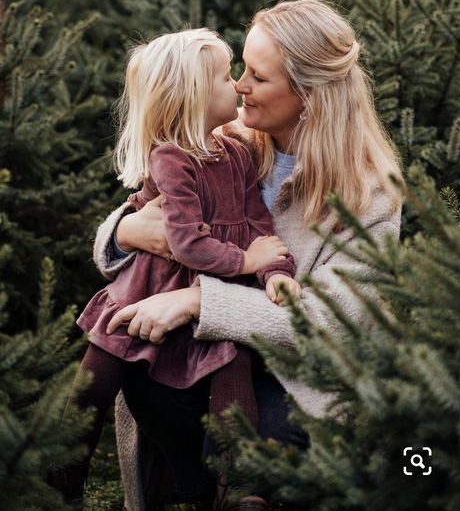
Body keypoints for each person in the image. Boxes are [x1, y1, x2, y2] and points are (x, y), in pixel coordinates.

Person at [95, 0, 404, 511]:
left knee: (268, 437)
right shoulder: (226, 141)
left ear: (309, 95)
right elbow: (129, 230)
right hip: (203, 360)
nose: (238, 86)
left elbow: (330, 322)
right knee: (148, 386)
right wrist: (126, 232)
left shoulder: (368, 195)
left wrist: (199, 302)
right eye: (238, 69)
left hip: (295, 377)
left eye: (257, 77)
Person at [49, 28, 301, 505]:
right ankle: (64, 463)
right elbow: (184, 243)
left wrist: (275, 272)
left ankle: (238, 482)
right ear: (193, 97)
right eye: (226, 76)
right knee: (106, 353)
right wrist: (247, 260)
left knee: (233, 363)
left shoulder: (237, 152)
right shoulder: (171, 159)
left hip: (216, 289)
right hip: (151, 284)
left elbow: (256, 223)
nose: (238, 85)